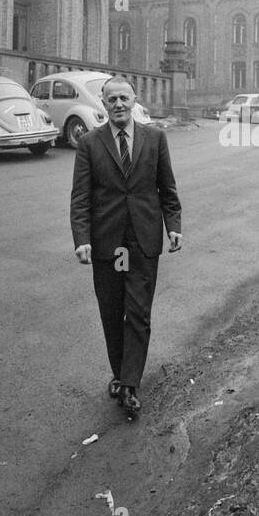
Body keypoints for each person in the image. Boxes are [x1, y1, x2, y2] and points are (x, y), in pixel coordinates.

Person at [70, 77, 182, 416]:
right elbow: (81, 198)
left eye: (124, 98)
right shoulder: (90, 143)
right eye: (111, 99)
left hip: (143, 241)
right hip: (108, 243)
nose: (118, 104)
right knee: (111, 312)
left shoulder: (155, 139)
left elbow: (168, 190)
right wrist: (82, 239)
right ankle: (120, 374)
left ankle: (129, 384)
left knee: (138, 312)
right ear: (103, 104)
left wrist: (173, 227)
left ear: (135, 100)